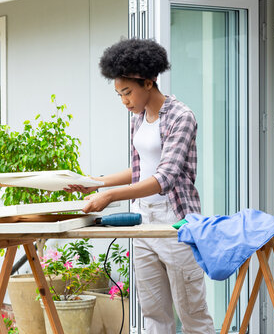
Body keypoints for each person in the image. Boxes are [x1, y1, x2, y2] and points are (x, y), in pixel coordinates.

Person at [64, 38, 214, 334]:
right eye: (119, 94)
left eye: (127, 92)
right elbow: (138, 170)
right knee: (154, 312)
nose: (124, 101)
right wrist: (93, 183)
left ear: (148, 82)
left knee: (192, 312)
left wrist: (109, 196)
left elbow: (163, 178)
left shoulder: (182, 117)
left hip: (176, 222)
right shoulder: (139, 119)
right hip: (143, 219)